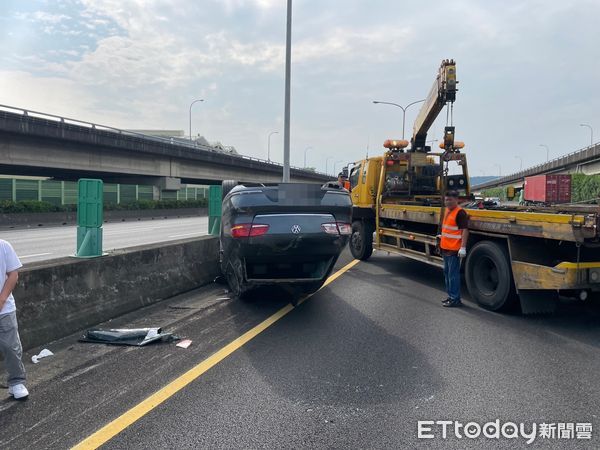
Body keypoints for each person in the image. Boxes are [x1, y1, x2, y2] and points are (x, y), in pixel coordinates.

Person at [0, 239, 28, 400]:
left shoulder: (3, 246)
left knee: (11, 347)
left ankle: (17, 382)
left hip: (4, 309)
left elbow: (13, 274)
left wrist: (2, 300)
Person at [439, 190, 469, 307]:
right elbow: (448, 228)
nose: (448, 202)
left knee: (453, 275)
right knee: (447, 273)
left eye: (450, 200)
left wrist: (463, 247)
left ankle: (455, 299)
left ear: (457, 200)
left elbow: (465, 230)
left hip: (454, 249)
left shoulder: (460, 213)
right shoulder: (447, 211)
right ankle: (450, 296)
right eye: (446, 200)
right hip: (445, 248)